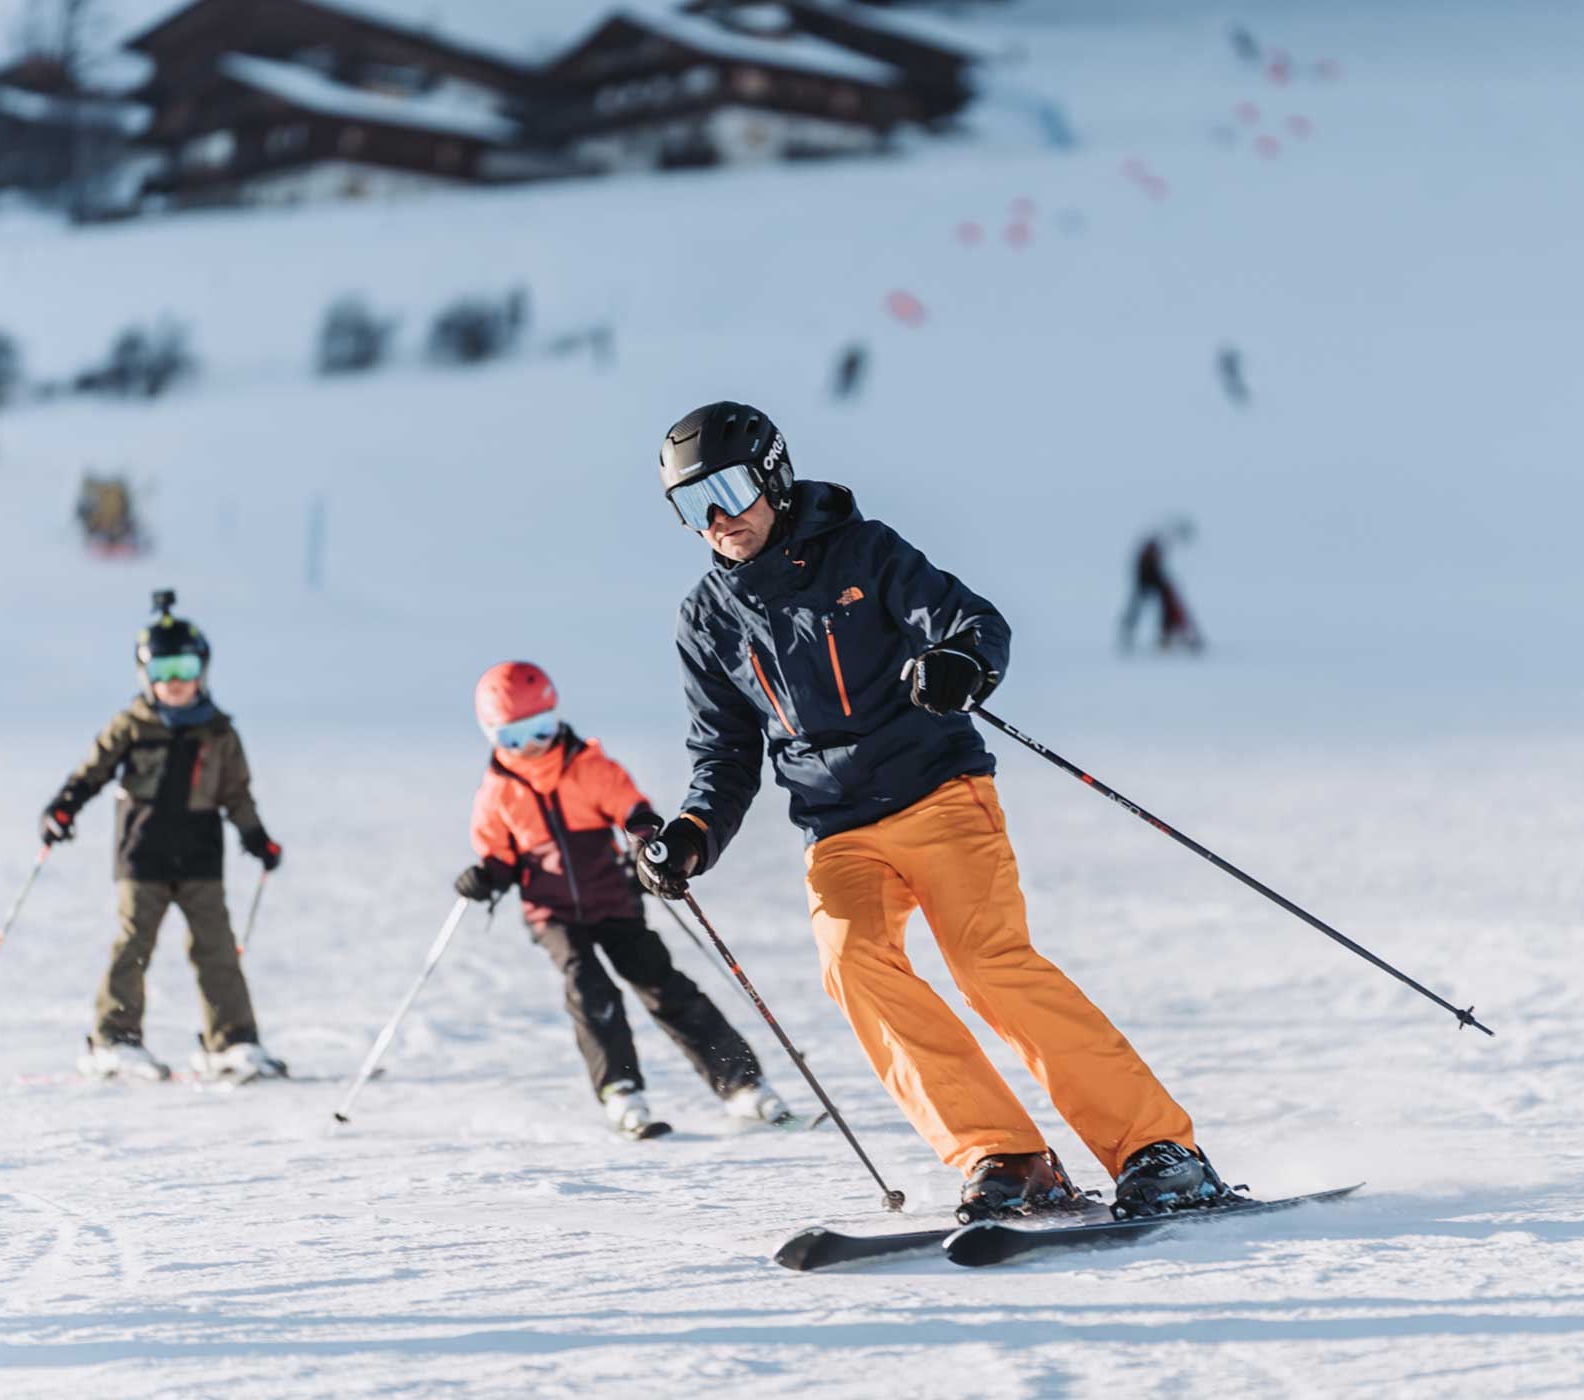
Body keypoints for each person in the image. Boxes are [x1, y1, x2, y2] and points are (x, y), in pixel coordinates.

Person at [634, 401, 1223, 1220]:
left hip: (939, 793)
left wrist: (959, 662)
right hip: (837, 829)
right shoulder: (706, 620)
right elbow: (723, 755)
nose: (717, 519)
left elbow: (972, 621)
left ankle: (1160, 1150)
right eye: (690, 505)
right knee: (853, 964)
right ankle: (1006, 1154)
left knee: (988, 964)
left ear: (772, 473)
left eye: (728, 489)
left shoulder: (865, 552)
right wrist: (692, 835)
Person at [457, 661, 789, 1138]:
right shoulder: (497, 793)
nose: (531, 747)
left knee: (662, 984)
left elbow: (630, 808)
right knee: (589, 987)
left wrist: (643, 835)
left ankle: (743, 1084)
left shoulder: (587, 766)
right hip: (552, 914)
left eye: (540, 730)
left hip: (613, 900)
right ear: (491, 736)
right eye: (513, 738)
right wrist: (485, 875)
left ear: (556, 716)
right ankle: (621, 1090)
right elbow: (498, 854)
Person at [39, 592, 285, 1081]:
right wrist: (63, 809)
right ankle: (115, 1038)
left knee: (215, 947)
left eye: (185, 667)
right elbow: (91, 773)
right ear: (145, 676)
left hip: (199, 855)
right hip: (142, 854)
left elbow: (237, 794)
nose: (174, 682)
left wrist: (256, 838)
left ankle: (231, 1041)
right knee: (134, 944)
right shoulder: (131, 726)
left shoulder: (219, 732)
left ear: (203, 670)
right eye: (163, 670)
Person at [1120, 520, 1204, 653]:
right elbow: (1148, 558)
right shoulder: (1164, 536)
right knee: (1147, 604)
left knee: (1165, 603)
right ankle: (1161, 636)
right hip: (1147, 574)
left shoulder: (1162, 537)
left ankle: (1166, 635)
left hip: (1151, 573)